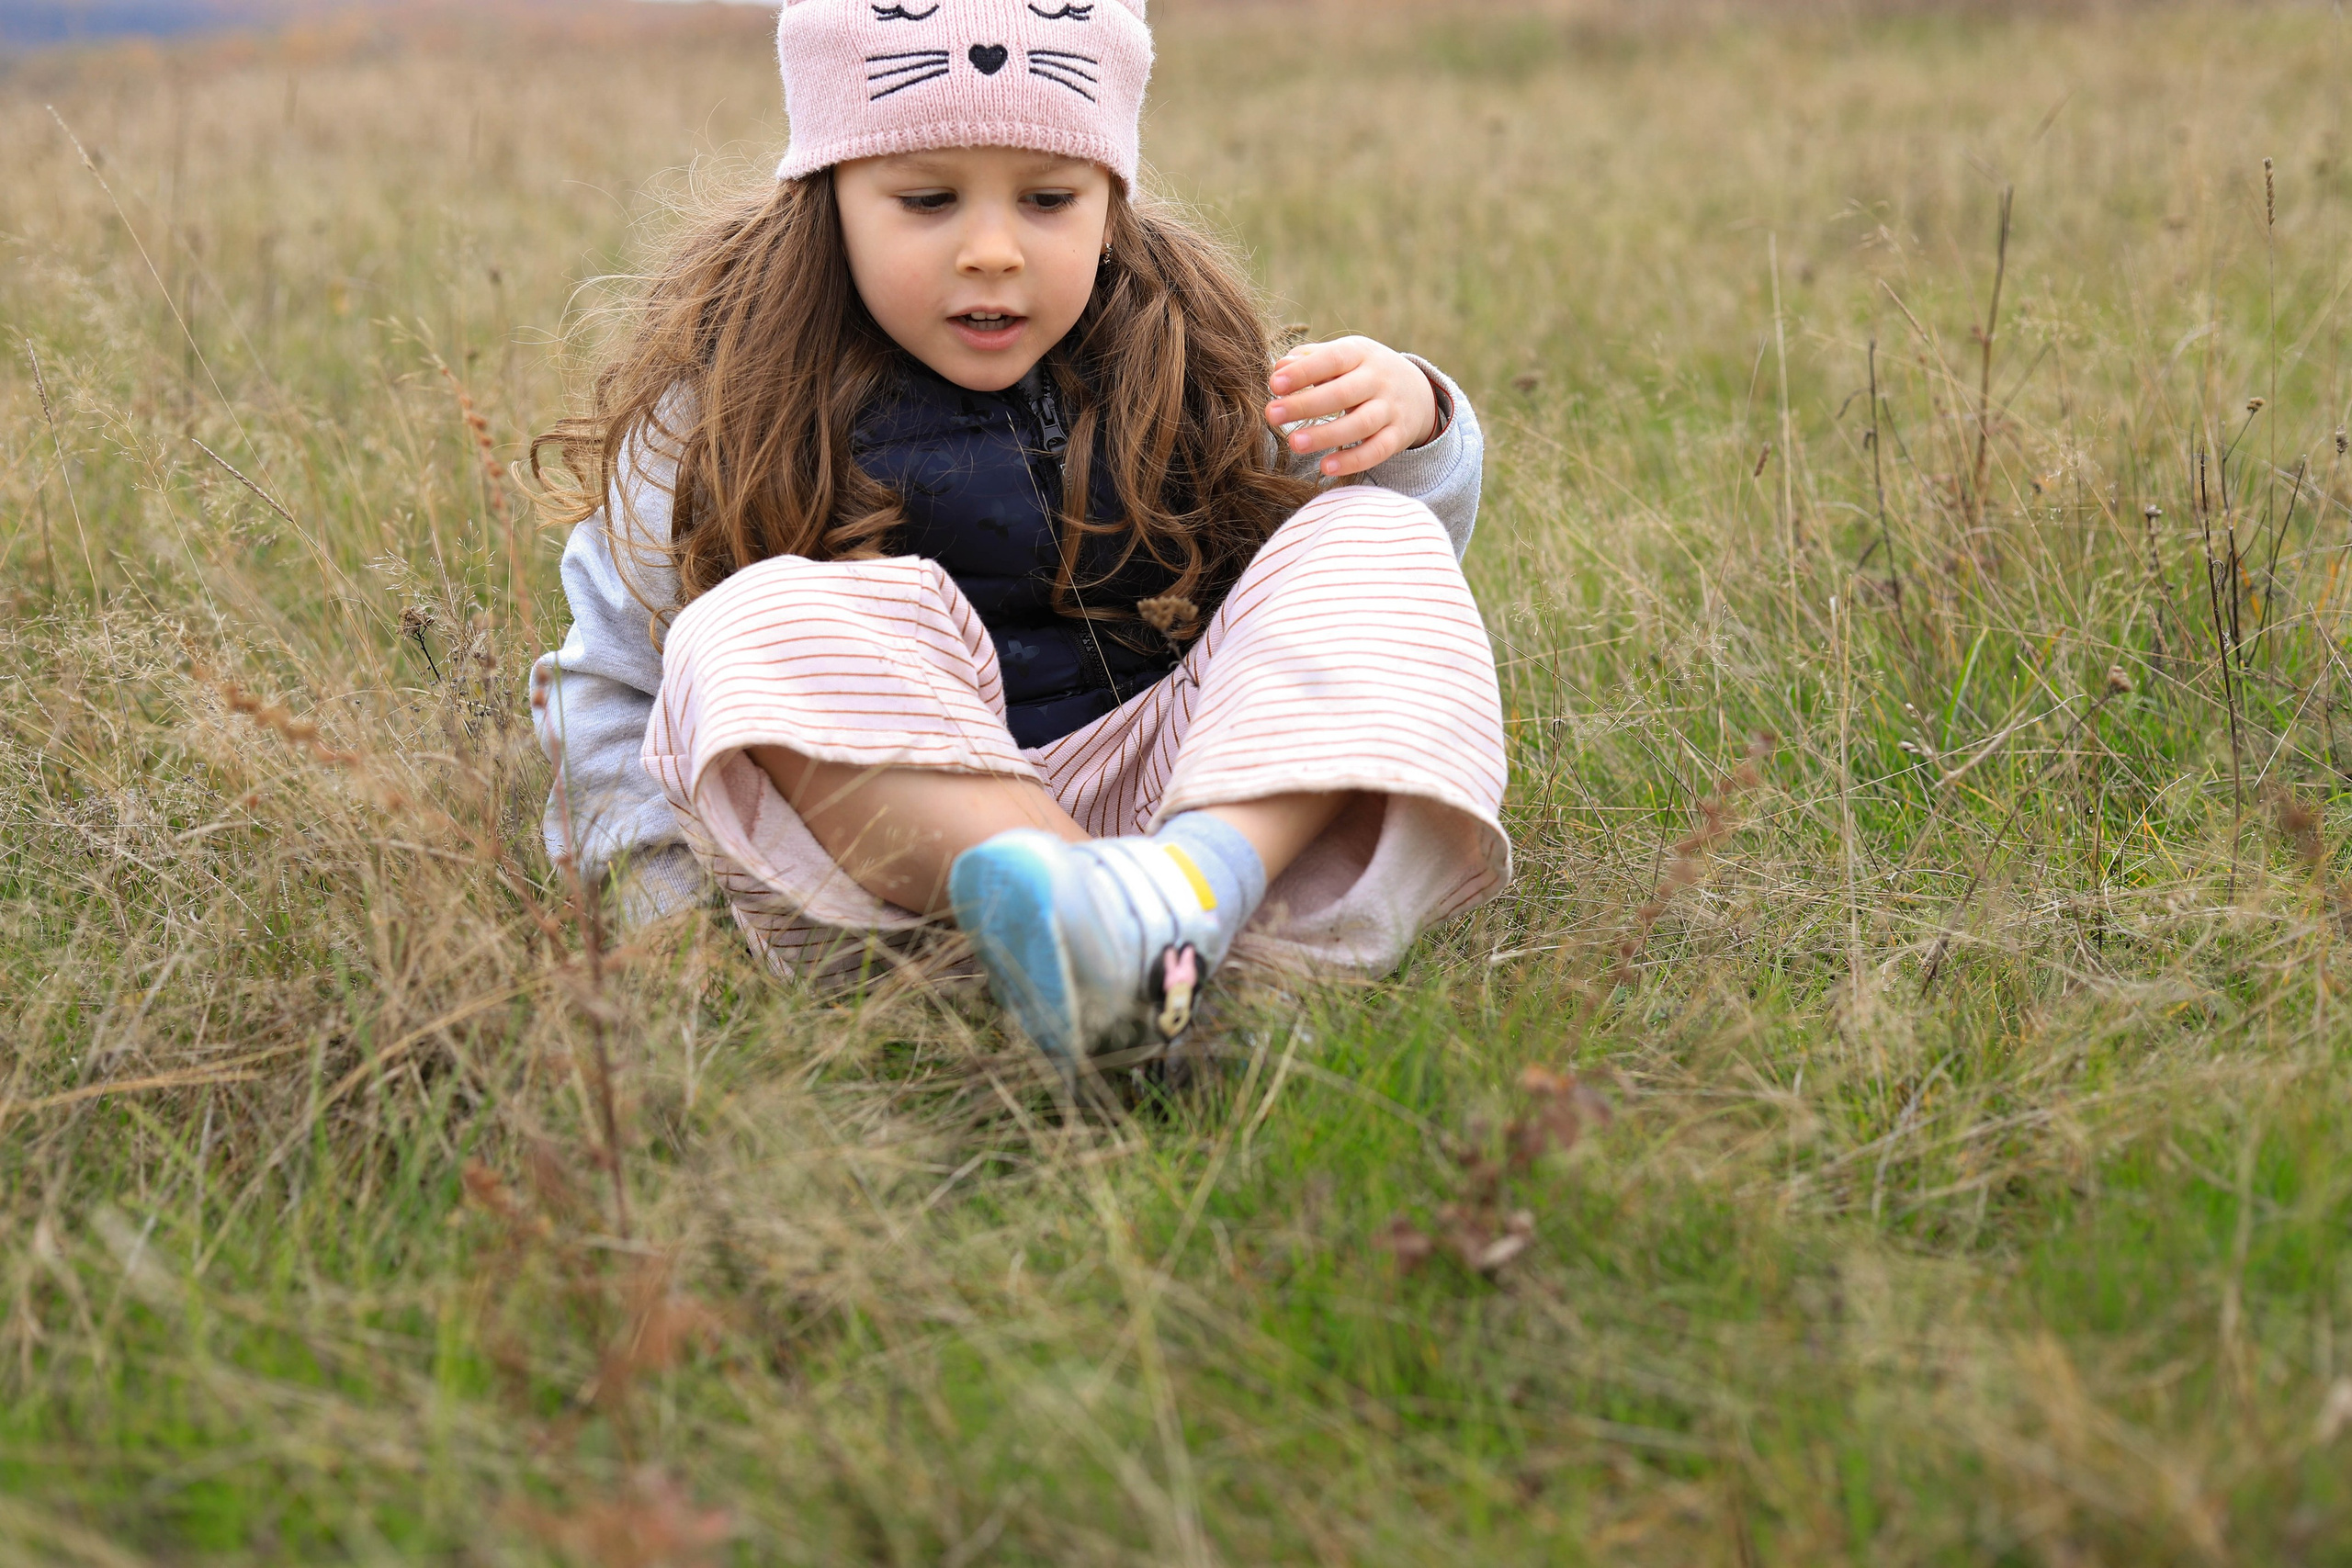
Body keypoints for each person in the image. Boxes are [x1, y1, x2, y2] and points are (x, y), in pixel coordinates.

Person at [531, 0, 1509, 1074]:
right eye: (927, 199)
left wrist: (1410, 425)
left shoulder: (1180, 353)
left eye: (1048, 199)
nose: (991, 251)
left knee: (1366, 536)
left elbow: (1387, 596)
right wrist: (665, 933)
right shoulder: (722, 405)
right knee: (748, 621)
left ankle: (1179, 911)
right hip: (893, 880)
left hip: (1177, 808)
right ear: (828, 196)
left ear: (1110, 199)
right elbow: (613, 689)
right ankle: (1141, 961)